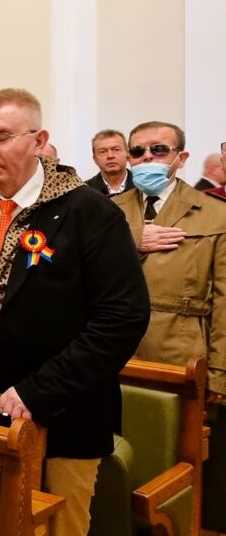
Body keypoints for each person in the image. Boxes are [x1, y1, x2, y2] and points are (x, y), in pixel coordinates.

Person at [0, 89, 149, 536]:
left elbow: (122, 317)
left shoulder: (88, 212)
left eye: (1, 137)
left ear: (39, 140)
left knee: (57, 529)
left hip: (62, 417)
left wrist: (42, 389)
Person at [111, 121, 226, 395]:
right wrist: (132, 239)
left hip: (182, 350)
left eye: (159, 149)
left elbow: (224, 301)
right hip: (116, 346)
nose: (147, 157)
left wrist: (219, 373)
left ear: (181, 158)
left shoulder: (215, 213)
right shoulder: (107, 210)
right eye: (138, 151)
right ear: (129, 159)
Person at [85, 129, 134, 196]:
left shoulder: (141, 185)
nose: (110, 156)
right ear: (95, 159)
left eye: (116, 150)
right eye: (103, 152)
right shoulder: (85, 191)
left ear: (128, 154)